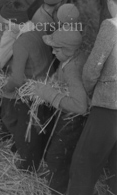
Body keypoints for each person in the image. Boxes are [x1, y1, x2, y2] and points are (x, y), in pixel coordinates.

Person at [67, 0, 117, 195]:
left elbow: (92, 68)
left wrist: (87, 91)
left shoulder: (111, 26)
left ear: (112, 2)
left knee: (84, 164)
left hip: (109, 105)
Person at [33, 28, 88, 194]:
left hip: (73, 119)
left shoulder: (72, 69)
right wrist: (53, 81)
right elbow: (62, 76)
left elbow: (80, 106)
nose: (52, 52)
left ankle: (58, 190)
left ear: (67, 50)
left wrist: (48, 93)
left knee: (57, 157)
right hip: (69, 117)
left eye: (56, 50)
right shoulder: (74, 57)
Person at [0, 2, 53, 171]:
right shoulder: (38, 30)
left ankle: (27, 166)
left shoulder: (20, 43)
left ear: (13, 23)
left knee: (25, 131)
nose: (3, 27)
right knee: (39, 128)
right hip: (46, 87)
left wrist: (5, 88)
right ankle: (37, 159)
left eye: (4, 23)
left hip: (30, 93)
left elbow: (17, 79)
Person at [0, 0, 34, 69]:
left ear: (14, 22)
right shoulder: (27, 27)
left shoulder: (24, 39)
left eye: (6, 24)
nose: (6, 28)